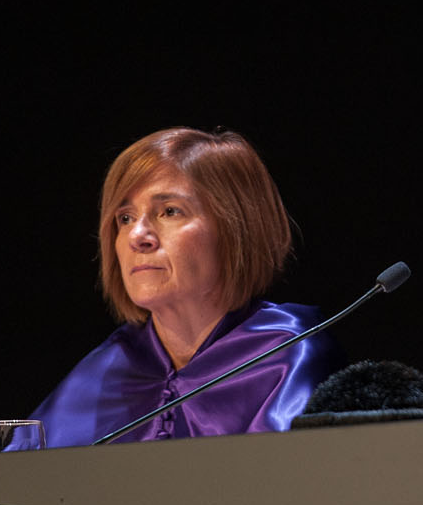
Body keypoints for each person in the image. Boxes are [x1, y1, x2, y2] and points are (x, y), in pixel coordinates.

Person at [31, 127, 341, 446]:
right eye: (125, 218)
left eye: (169, 211)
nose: (137, 236)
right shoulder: (101, 373)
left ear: (236, 229)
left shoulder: (286, 354)